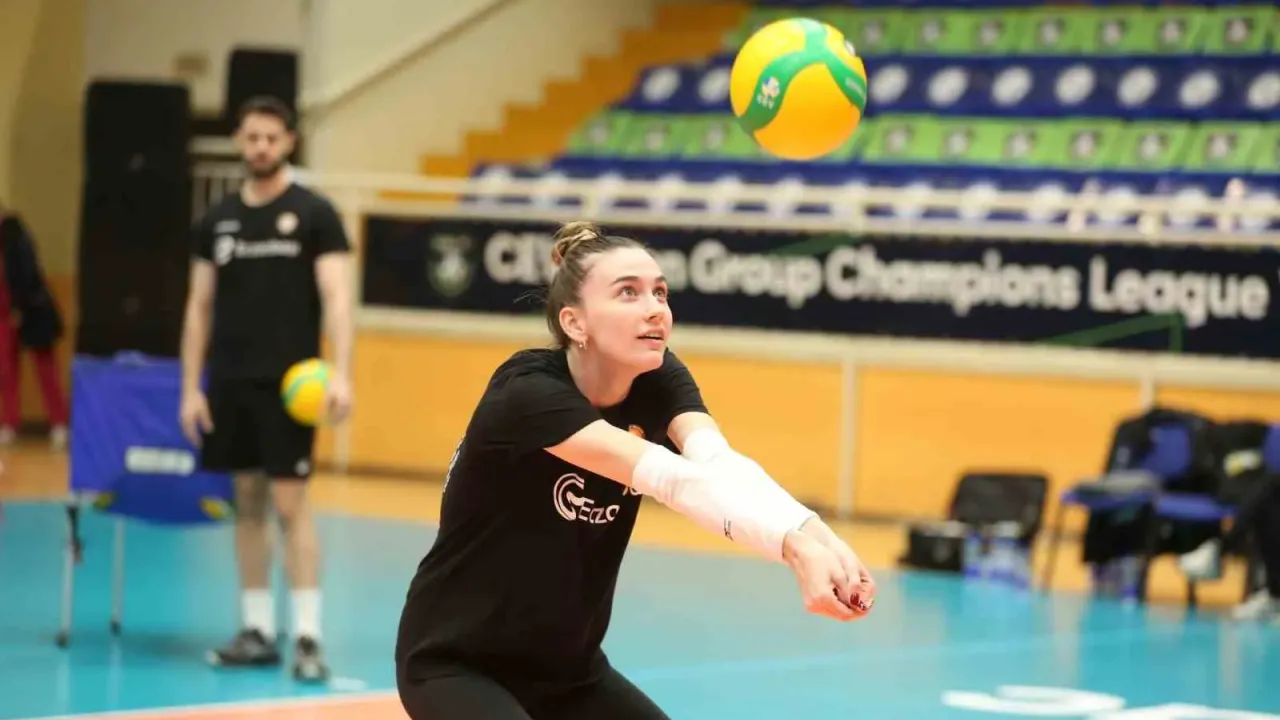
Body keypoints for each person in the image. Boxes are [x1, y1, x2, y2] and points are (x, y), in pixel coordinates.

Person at [395, 221, 876, 720]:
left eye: (660, 292)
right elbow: (674, 480)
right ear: (574, 323)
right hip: (457, 663)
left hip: (568, 672)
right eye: (628, 292)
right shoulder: (526, 394)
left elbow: (718, 464)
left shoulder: (658, 376)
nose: (655, 308)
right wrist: (793, 549)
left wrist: (820, 537)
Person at [179, 95, 354, 682]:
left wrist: (341, 372)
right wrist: (190, 388)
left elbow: (336, 299)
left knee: (290, 505)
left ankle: (307, 636)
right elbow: (199, 306)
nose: (260, 147)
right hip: (230, 383)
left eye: (271, 138)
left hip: (291, 390)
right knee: (247, 504)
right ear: (239, 141)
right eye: (251, 137)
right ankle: (256, 630)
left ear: (289, 142)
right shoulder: (216, 220)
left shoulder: (315, 214)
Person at [0, 203, 68, 448]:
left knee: (45, 369)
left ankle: (59, 423)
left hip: (31, 311)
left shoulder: (15, 234)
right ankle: (10, 424)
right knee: (6, 372)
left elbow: (27, 273)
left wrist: (20, 308)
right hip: (4, 314)